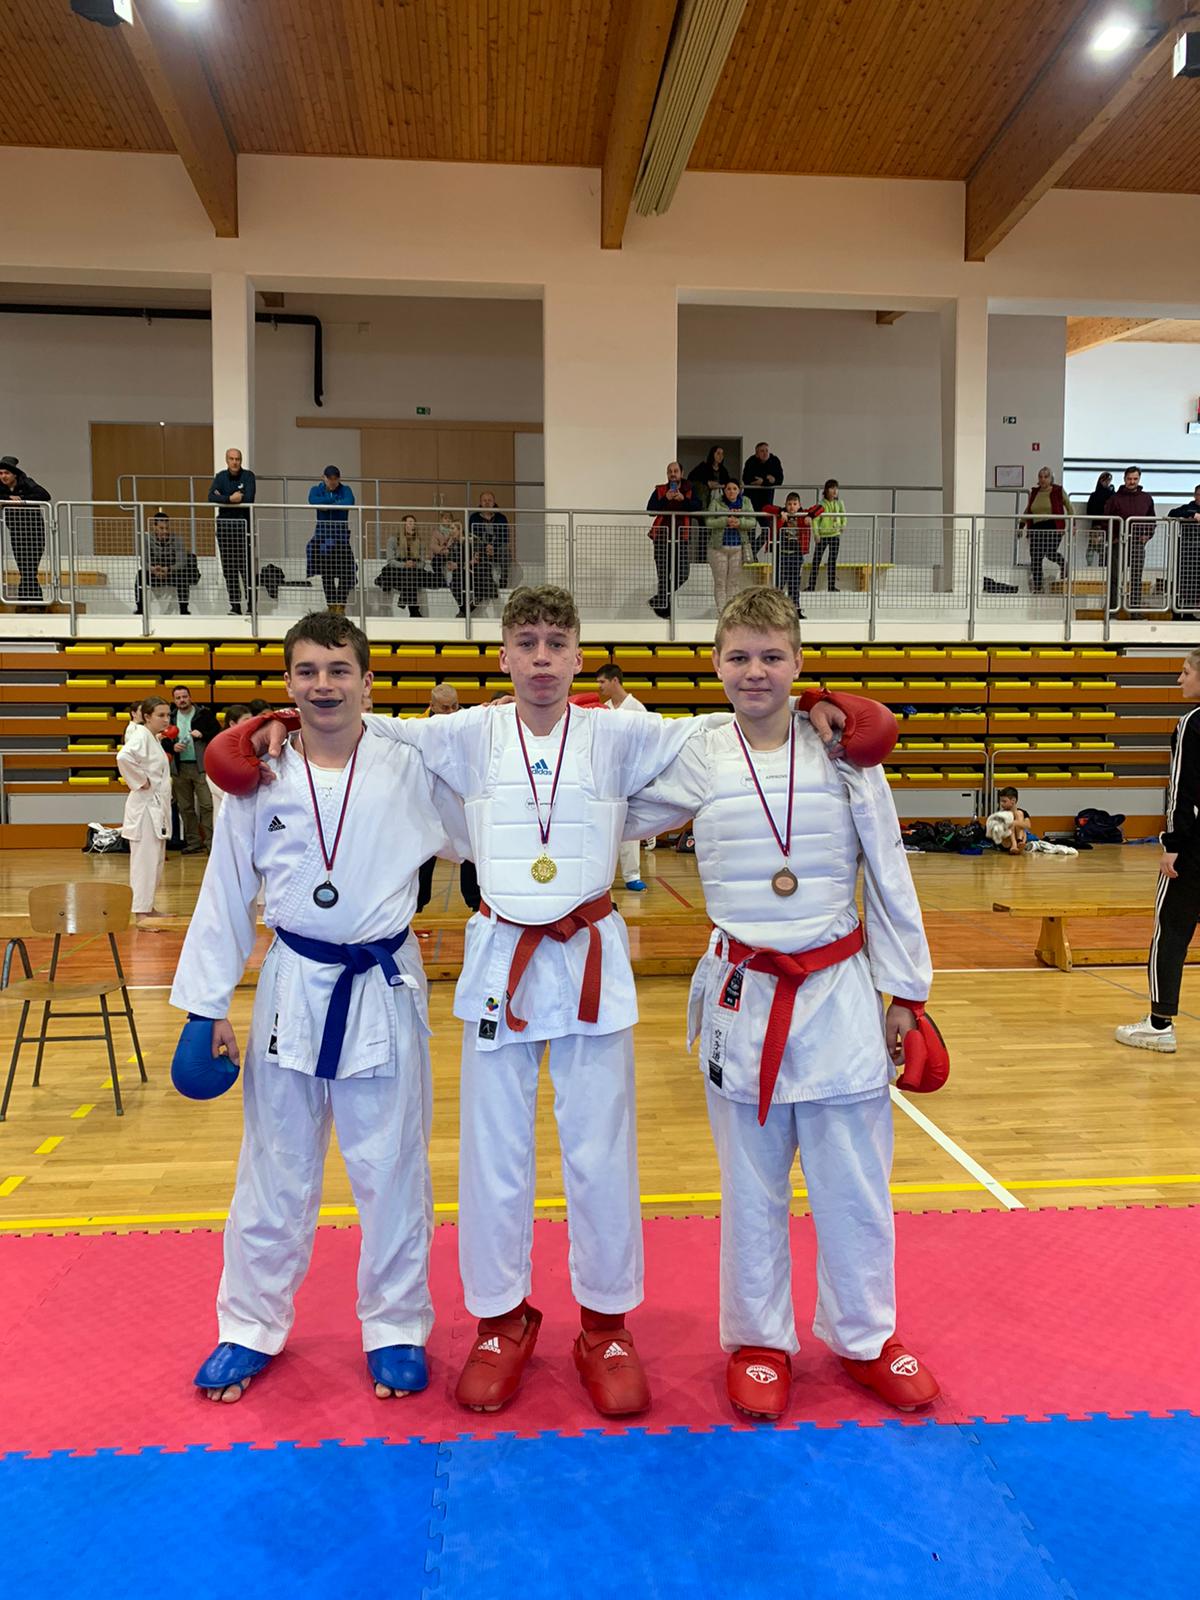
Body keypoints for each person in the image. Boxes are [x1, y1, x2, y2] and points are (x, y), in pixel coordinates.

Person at [207, 589, 876, 1420]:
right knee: (494, 1153)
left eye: (557, 643)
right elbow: (368, 728)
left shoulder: (621, 732)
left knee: (601, 1149)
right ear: (503, 656)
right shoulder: (465, 731)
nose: (542, 659)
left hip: (589, 954)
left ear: (578, 655)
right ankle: (501, 1320)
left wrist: (824, 706)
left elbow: (723, 726)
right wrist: (270, 721)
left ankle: (606, 1326)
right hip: (502, 958)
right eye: (526, 643)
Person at [624, 585, 939, 1421]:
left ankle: (866, 1336)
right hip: (743, 995)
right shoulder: (698, 751)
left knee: (854, 1181)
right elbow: (614, 810)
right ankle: (759, 1340)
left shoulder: (844, 749)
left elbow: (888, 865)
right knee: (751, 1184)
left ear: (799, 664)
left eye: (771, 656)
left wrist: (906, 989)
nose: (754, 671)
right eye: (738, 657)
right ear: (715, 665)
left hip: (837, 993)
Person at [170, 610, 466, 1404]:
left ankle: (396, 1325)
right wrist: (206, 1006)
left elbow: (484, 820)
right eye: (307, 672)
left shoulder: (411, 767)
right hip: (291, 984)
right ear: (288, 683)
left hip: (382, 983)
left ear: (368, 683)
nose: (323, 685)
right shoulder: (259, 774)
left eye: (339, 671)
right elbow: (226, 888)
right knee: (274, 1164)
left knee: (391, 1165)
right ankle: (248, 1324)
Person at [1116, 648, 1200, 1055]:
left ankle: (1159, 1023)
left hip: (1194, 849)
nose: (1179, 680)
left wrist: (1172, 844)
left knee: (1171, 930)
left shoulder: (1191, 723)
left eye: (1185, 672)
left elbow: (1181, 790)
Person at [415, 685, 481, 916]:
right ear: (432, 706)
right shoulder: (417, 728)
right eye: (445, 708)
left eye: (455, 706)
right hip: (429, 802)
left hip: (462, 800)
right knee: (424, 855)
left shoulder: (468, 724)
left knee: (471, 852)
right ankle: (416, 906)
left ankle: (476, 904)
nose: (451, 711)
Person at [118, 695, 174, 927]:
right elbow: (123, 756)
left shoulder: (152, 738)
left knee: (155, 861)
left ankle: (148, 907)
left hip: (155, 808)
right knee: (144, 861)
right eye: (161, 715)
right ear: (147, 717)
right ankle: (140, 912)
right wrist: (140, 781)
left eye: (168, 715)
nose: (166, 719)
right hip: (144, 810)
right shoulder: (141, 735)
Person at [598, 664, 649, 891]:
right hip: (606, 773)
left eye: (602, 682)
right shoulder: (603, 709)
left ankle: (632, 875)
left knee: (629, 826)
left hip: (631, 773)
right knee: (605, 825)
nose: (599, 687)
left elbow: (647, 742)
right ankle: (602, 877)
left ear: (615, 681)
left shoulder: (637, 709)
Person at [165, 684, 219, 853]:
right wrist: (172, 747)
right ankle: (194, 842)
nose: (182, 700)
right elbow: (162, 739)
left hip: (201, 766)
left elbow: (217, 733)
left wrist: (202, 734)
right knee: (185, 807)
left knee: (207, 806)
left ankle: (212, 843)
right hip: (179, 768)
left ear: (190, 697)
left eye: (184, 697)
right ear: (174, 700)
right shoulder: (170, 717)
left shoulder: (204, 714)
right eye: (178, 698)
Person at [646, 462, 702, 619]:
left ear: (681, 473)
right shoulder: (660, 490)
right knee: (663, 575)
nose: (672, 474)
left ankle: (660, 598)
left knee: (683, 573)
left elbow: (698, 507)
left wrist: (683, 500)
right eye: (670, 471)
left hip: (681, 537)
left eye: (675, 471)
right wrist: (665, 498)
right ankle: (664, 611)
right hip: (661, 537)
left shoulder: (689, 490)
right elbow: (650, 510)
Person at [207, 448, 257, 616]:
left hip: (243, 530)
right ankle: (235, 607)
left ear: (241, 460)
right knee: (229, 569)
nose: (235, 462)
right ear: (227, 460)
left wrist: (224, 498)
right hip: (225, 530)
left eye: (237, 459)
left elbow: (248, 498)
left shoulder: (248, 476)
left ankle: (251, 606)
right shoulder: (220, 477)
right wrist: (230, 498)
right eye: (232, 459)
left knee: (246, 569)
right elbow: (211, 496)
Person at [0, 454, 52, 607]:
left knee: (30, 568)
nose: (3, 476)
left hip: (35, 532)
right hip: (16, 532)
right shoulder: (1, 487)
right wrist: (8, 498)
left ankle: (27, 603)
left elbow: (44, 495)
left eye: (6, 473)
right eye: (0, 473)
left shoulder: (27, 482)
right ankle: (32, 603)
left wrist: (22, 499)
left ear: (14, 474)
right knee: (24, 568)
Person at [306, 466, 357, 614]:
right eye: (330, 479)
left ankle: (340, 604)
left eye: (335, 479)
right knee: (326, 573)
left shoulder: (346, 489)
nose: (333, 482)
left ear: (339, 479)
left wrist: (326, 505)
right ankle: (331, 605)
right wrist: (334, 501)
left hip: (341, 538)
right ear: (324, 478)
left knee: (346, 571)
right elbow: (313, 500)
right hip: (323, 539)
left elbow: (349, 502)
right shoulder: (316, 489)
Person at [1107, 466, 1156, 611]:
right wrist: (1113, 537)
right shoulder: (1114, 499)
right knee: (1114, 577)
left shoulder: (1146, 498)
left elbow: (1152, 520)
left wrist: (1148, 535)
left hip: (1137, 543)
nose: (1132, 482)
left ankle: (1135, 610)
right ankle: (1112, 610)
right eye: (1129, 479)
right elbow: (1106, 520)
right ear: (1124, 479)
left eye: (1135, 479)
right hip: (1118, 542)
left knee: (1136, 577)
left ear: (1139, 479)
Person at [1019, 467, 1074, 594]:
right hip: (1036, 527)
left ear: (1051, 478)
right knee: (1036, 557)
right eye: (1040, 476)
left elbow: (1069, 506)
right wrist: (1021, 524)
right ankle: (1038, 587)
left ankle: (1063, 563)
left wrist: (1073, 523)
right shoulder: (1035, 492)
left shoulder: (1057, 490)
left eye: (1046, 476)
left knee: (1049, 552)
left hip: (1053, 525)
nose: (1043, 479)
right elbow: (1029, 509)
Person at [705, 481, 755, 614]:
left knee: (733, 582)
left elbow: (752, 522)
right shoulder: (716, 502)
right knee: (720, 581)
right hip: (718, 547)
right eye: (728, 489)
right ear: (724, 490)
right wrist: (725, 521)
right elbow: (708, 521)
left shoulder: (746, 502)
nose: (731, 491)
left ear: (739, 490)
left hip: (738, 547)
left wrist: (740, 522)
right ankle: (722, 612)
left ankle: (731, 611)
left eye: (734, 488)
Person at [134, 511, 194, 616]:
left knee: (183, 575)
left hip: (171, 572)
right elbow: (143, 561)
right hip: (154, 572)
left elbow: (182, 562)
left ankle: (184, 610)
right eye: (161, 528)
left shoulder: (177, 539)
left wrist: (169, 569)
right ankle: (140, 609)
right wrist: (152, 569)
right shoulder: (146, 539)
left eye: (167, 528)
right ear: (154, 527)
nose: (165, 531)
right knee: (140, 575)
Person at [762, 492, 810, 616]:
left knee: (794, 583)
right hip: (781, 555)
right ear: (785, 504)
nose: (792, 507)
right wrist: (780, 512)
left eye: (795, 504)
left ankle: (795, 609)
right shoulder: (781, 514)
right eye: (789, 504)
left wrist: (810, 515)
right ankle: (775, 608)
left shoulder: (802, 515)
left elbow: (820, 508)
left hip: (796, 555)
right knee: (779, 582)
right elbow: (765, 508)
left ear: (799, 505)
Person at [207, 704, 253, 829]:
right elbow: (212, 776)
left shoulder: (249, 742)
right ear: (232, 723)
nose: (251, 724)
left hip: (245, 803)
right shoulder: (220, 744)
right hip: (226, 798)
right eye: (246, 721)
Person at [377, 514, 427, 617]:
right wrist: (404, 565)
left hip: (413, 570)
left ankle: (405, 602)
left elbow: (422, 563)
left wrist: (414, 564)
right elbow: (390, 560)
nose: (412, 525)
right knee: (408, 576)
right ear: (403, 525)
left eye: (414, 523)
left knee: (411, 575)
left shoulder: (420, 542)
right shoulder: (393, 540)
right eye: (410, 522)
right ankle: (414, 611)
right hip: (398, 569)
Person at [742, 442, 784, 553]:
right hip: (751, 500)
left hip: (766, 502)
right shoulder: (751, 461)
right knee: (750, 530)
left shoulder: (774, 461)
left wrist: (764, 481)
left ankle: (752, 552)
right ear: (756, 454)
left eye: (766, 450)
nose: (765, 453)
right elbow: (747, 479)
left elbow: (779, 480)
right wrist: (768, 480)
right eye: (762, 451)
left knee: (768, 530)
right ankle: (751, 556)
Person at [807, 479, 847, 593]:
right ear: (826, 490)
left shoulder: (839, 503)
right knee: (816, 560)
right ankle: (811, 586)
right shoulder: (821, 504)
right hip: (823, 535)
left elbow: (844, 515)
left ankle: (831, 586)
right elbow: (815, 520)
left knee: (832, 561)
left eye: (836, 488)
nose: (834, 491)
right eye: (832, 488)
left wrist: (843, 525)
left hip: (835, 534)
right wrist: (816, 534)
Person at [1167, 486, 1200, 619]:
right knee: (1184, 582)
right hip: (1187, 553)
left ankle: (1190, 612)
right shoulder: (1188, 507)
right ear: (1194, 495)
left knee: (1196, 583)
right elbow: (1172, 513)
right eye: (1199, 494)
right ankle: (1180, 613)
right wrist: (1192, 515)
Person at [469, 492, 511, 589]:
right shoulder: (474, 517)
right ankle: (482, 584)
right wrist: (485, 547)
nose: (487, 503)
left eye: (489, 500)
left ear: (494, 502)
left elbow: (505, 537)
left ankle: (503, 581)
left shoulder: (501, 518)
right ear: (480, 502)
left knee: (505, 550)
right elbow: (471, 535)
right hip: (480, 548)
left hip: (497, 549)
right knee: (473, 547)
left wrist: (494, 548)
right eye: (484, 500)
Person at [985, 786, 1030, 855]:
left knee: (1019, 814)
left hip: (1019, 839)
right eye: (1001, 801)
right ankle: (1014, 845)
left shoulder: (1022, 812)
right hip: (1006, 842)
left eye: (1004, 801)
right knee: (1009, 819)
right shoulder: (1001, 814)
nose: (1001, 804)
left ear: (1013, 801)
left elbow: (1028, 825)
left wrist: (1015, 823)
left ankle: (1019, 842)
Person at [1085, 471, 1115, 566]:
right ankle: (1092, 567)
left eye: (1108, 480)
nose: (1107, 482)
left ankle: (1100, 568)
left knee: (1102, 550)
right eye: (1105, 480)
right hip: (1099, 525)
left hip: (1105, 525)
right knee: (1095, 548)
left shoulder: (1109, 495)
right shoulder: (1107, 495)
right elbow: (1089, 510)